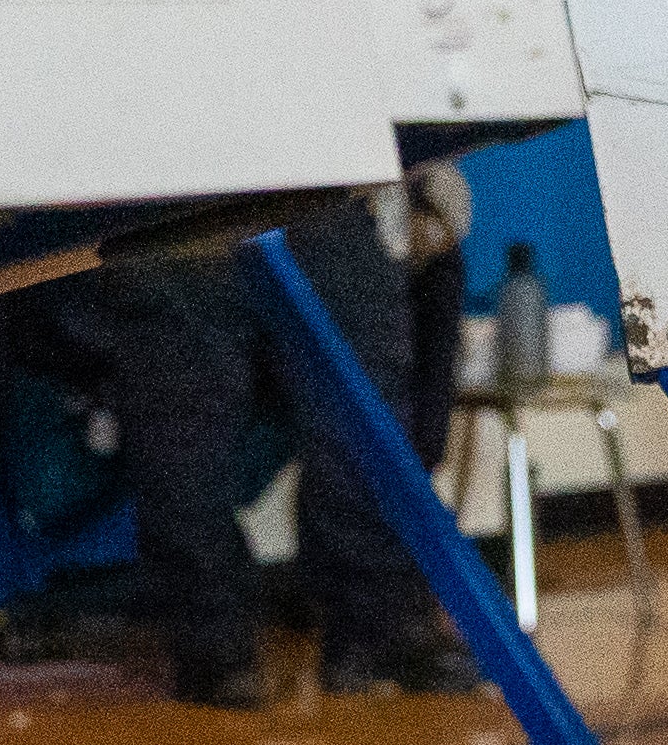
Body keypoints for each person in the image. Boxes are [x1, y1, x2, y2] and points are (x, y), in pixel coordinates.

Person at [74, 197, 455, 709]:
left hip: (188, 203)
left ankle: (227, 652)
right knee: (348, 431)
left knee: (191, 447)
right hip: (269, 193)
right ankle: (356, 632)